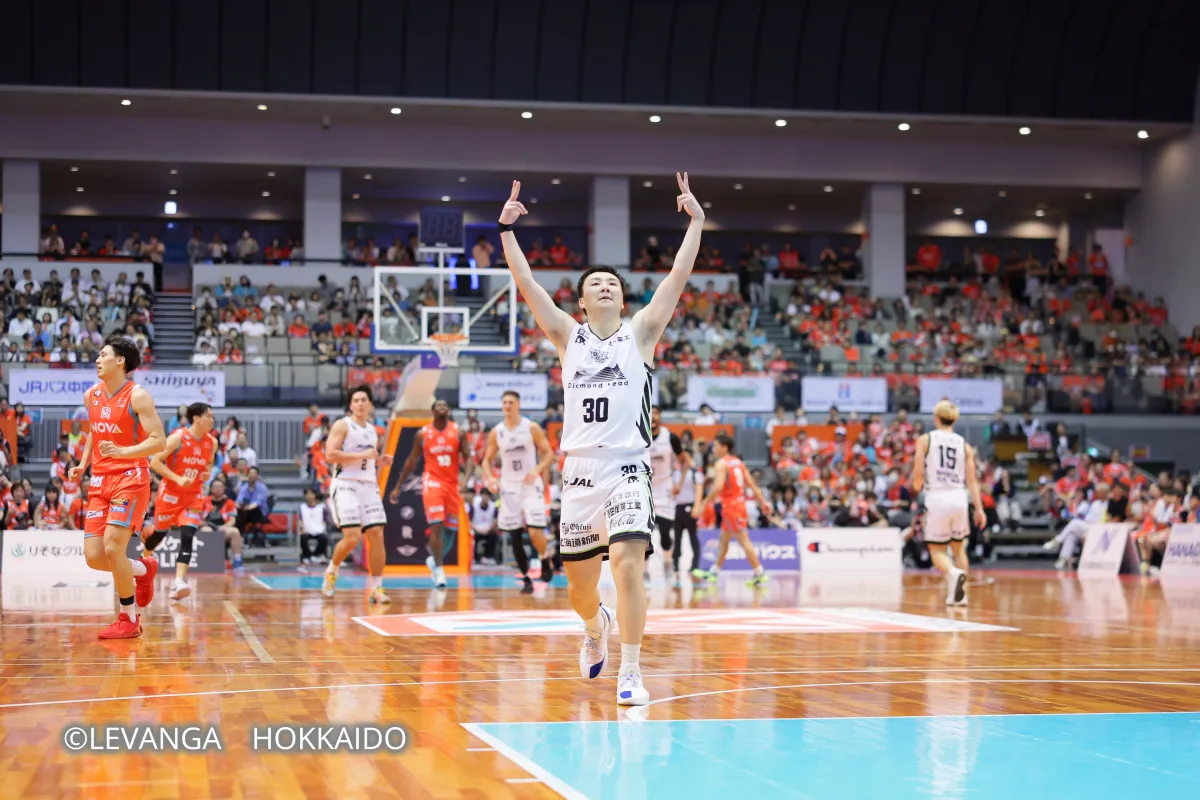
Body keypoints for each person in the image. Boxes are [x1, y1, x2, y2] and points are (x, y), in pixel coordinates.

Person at [494, 173, 703, 706]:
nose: (606, 286)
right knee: (580, 589)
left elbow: (678, 275)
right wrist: (506, 231)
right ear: (582, 302)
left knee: (630, 563)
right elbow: (527, 284)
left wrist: (696, 222)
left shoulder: (643, 332)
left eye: (613, 282)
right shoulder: (568, 336)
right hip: (580, 472)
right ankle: (595, 625)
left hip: (629, 466)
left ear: (623, 298)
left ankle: (630, 670)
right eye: (596, 284)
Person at [69, 336, 167, 639]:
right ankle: (143, 569)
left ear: (120, 361)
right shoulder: (91, 395)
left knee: (113, 548)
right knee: (95, 557)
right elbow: (95, 432)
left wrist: (123, 452)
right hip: (100, 480)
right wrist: (83, 463)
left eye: (103, 355)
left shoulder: (138, 396)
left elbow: (158, 441)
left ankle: (128, 618)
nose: (98, 360)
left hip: (130, 478)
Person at [391, 399, 473, 589]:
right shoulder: (423, 434)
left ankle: (434, 561)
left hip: (452, 485)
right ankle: (440, 571)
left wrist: (465, 480)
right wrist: (397, 486)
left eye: (445, 405)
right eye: (438, 406)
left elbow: (469, 458)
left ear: (449, 411)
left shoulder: (458, 432)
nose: (442, 407)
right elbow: (411, 462)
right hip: (433, 482)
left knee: (451, 531)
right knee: (436, 525)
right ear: (432, 411)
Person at [322, 386, 394, 604]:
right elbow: (330, 455)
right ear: (351, 405)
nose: (360, 403)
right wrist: (363, 454)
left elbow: (367, 459)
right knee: (352, 537)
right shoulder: (342, 425)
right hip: (346, 484)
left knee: (377, 533)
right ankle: (332, 571)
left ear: (370, 403)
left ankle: (377, 588)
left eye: (364, 399)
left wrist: (379, 461)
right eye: (356, 400)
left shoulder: (372, 430)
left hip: (368, 486)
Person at [912, 400, 986, 606]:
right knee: (958, 549)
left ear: (936, 418)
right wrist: (979, 508)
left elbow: (918, 473)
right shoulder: (964, 445)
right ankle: (960, 595)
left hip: (937, 497)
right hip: (959, 497)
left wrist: (917, 486)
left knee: (937, 550)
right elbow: (971, 480)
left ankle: (953, 572)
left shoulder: (926, 440)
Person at [482, 391, 557, 593]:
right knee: (514, 535)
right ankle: (525, 578)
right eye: (505, 402)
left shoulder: (531, 427)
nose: (507, 405)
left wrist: (537, 469)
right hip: (509, 487)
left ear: (518, 404)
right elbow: (486, 460)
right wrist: (490, 478)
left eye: (511, 402)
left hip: (530, 485)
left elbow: (549, 453)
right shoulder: (497, 432)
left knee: (534, 531)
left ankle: (544, 558)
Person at [145, 402, 217, 601]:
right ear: (197, 418)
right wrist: (176, 478)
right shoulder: (177, 438)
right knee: (158, 535)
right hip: (170, 495)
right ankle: (144, 558)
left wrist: (207, 473)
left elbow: (210, 462)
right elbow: (154, 462)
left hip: (193, 496)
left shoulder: (212, 442)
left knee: (188, 535)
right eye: (208, 416)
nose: (212, 420)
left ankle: (178, 582)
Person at [691, 434, 778, 587]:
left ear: (724, 447)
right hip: (739, 505)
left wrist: (703, 503)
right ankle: (714, 572)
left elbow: (718, 487)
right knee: (724, 541)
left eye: (716, 446)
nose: (713, 449)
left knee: (744, 541)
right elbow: (751, 484)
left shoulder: (721, 464)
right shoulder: (738, 462)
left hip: (731, 508)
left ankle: (759, 572)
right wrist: (763, 501)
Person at [647, 406, 689, 584]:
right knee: (644, 533)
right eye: (651, 413)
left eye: (656, 413)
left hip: (665, 487)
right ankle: (644, 571)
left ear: (660, 417)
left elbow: (685, 461)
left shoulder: (670, 437)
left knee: (665, 531)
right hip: (645, 487)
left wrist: (679, 483)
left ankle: (667, 564)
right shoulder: (638, 435)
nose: (653, 416)